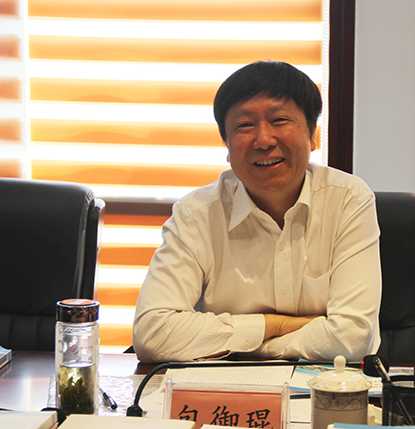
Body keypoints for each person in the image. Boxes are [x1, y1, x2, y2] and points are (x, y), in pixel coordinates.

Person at [132, 60, 382, 363]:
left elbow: (351, 337)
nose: (263, 140)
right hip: (227, 387)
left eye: (279, 120)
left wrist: (248, 347)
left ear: (312, 135)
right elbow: (152, 334)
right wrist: (273, 325)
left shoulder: (348, 200)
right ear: (226, 145)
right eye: (244, 126)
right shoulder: (196, 215)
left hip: (329, 387)